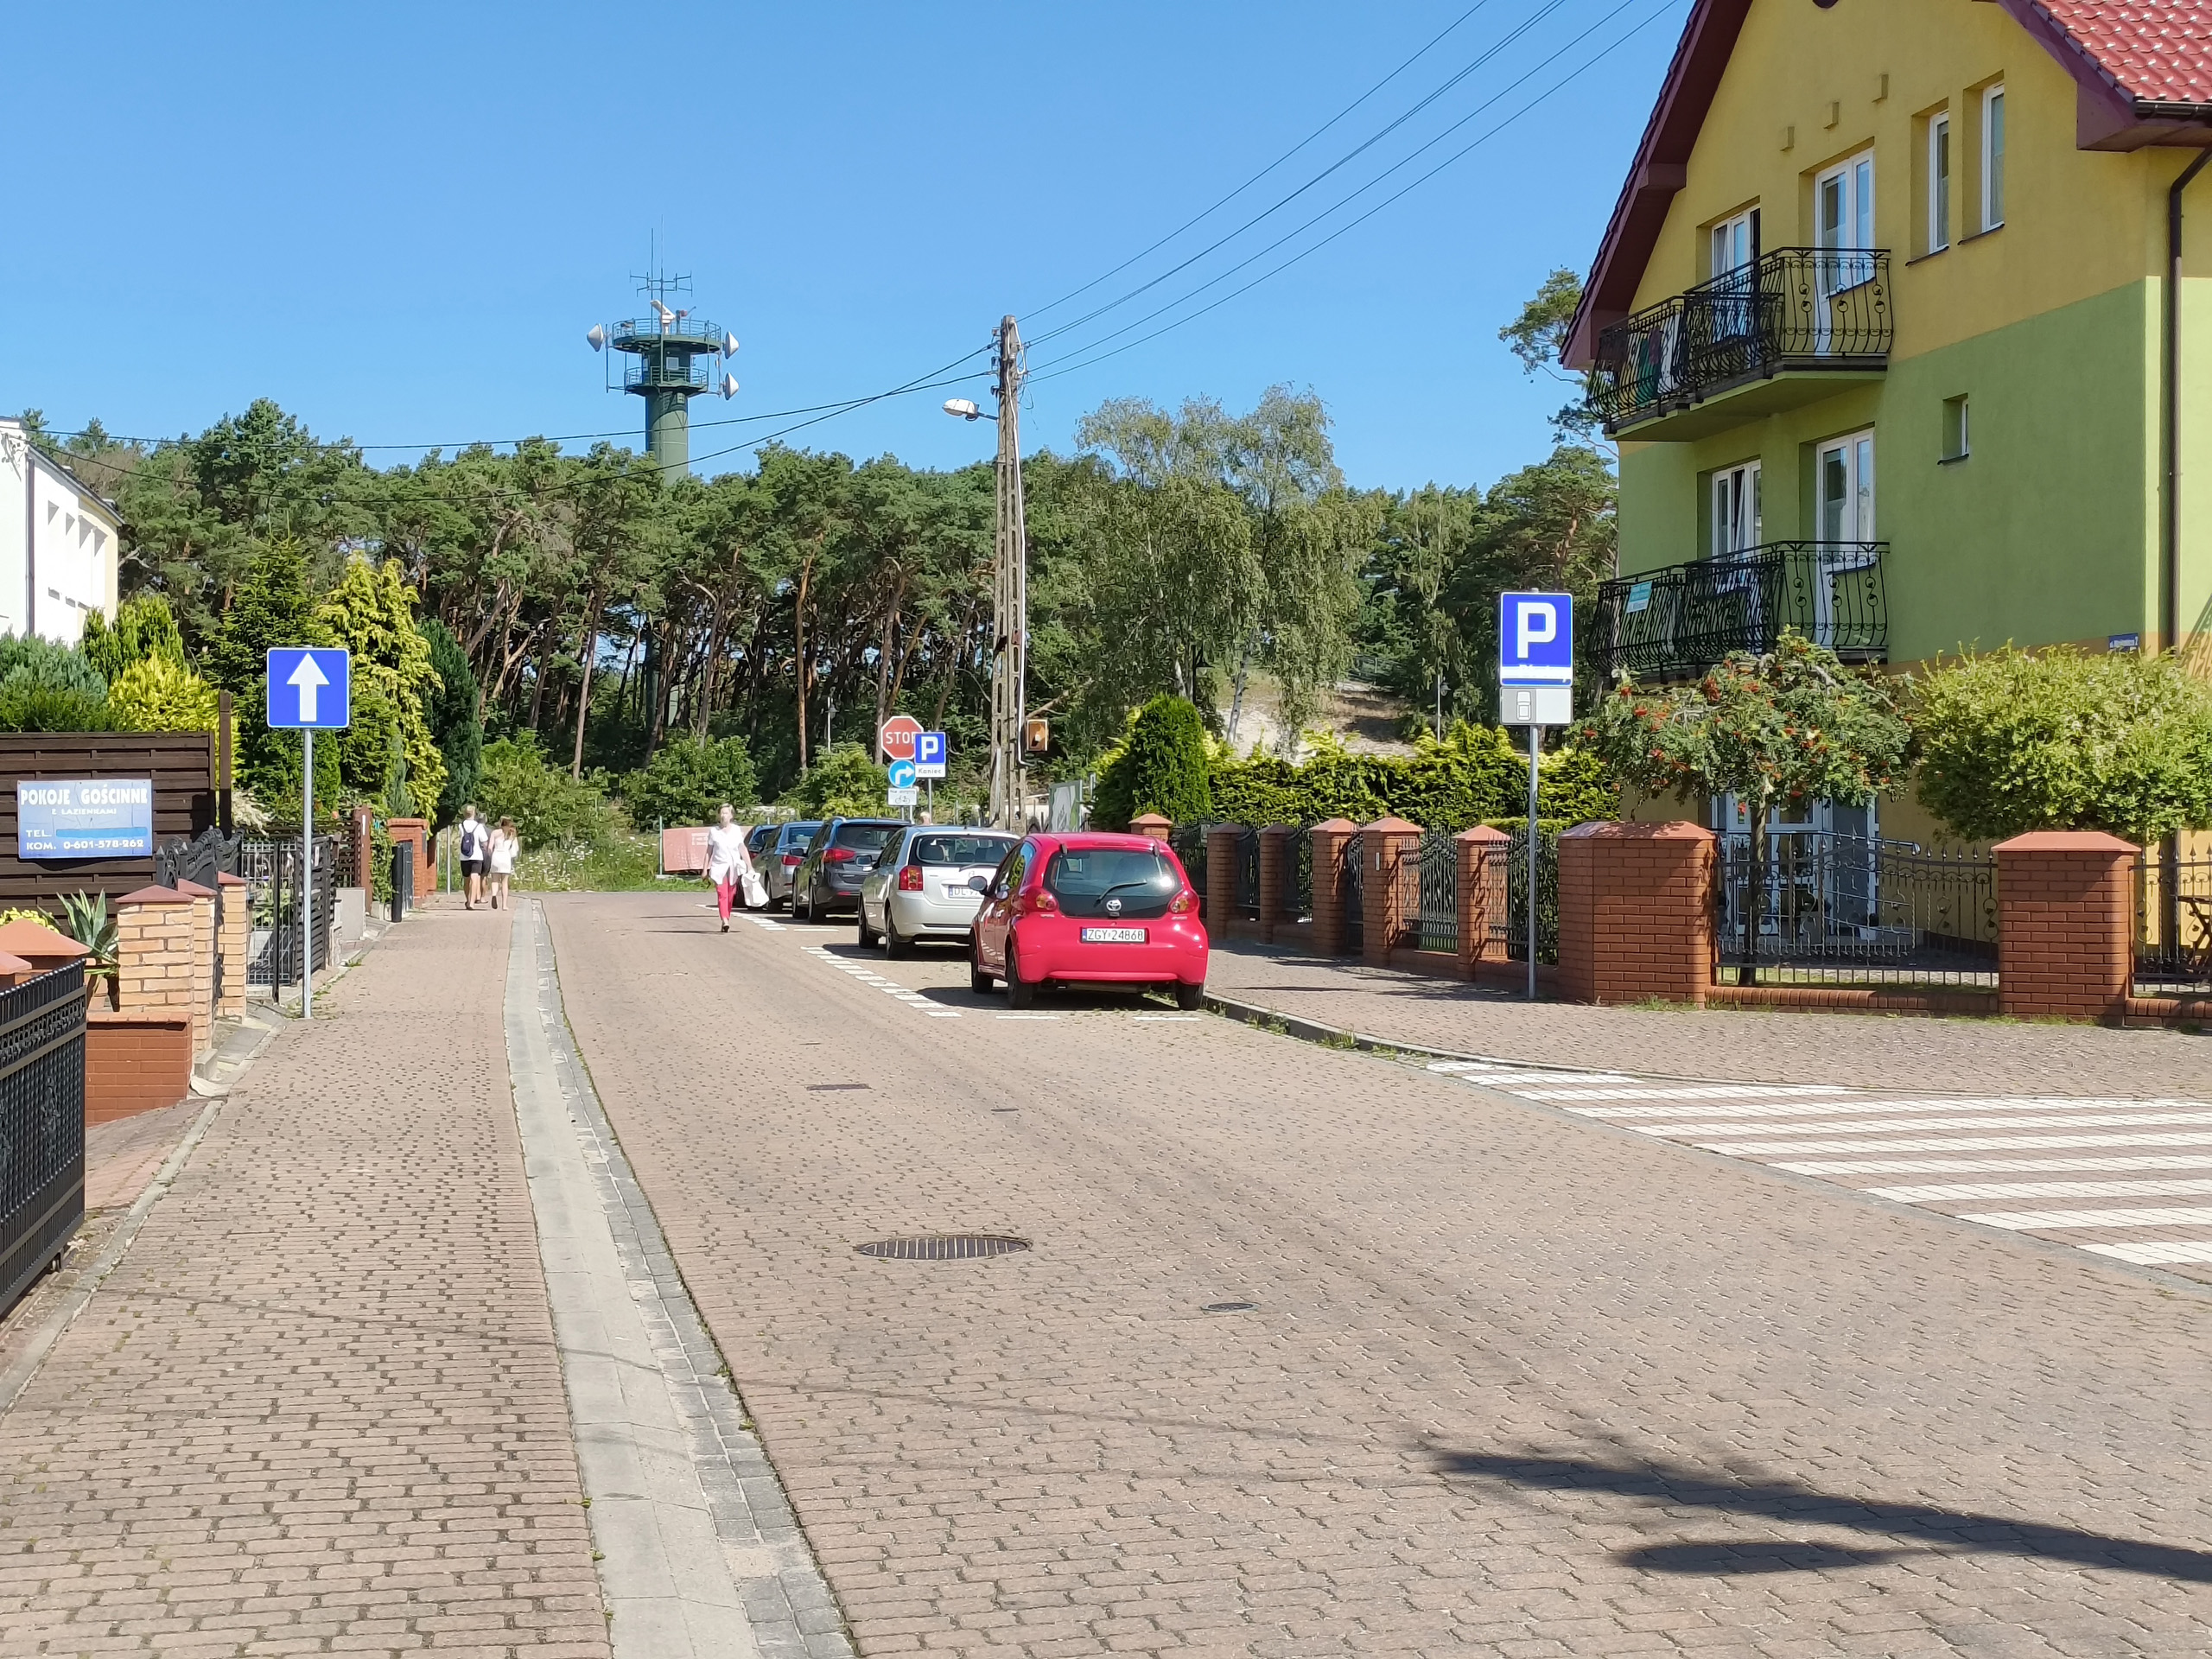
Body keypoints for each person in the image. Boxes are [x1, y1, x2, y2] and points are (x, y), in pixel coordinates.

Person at [704, 803, 753, 932]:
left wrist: (749, 866)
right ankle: (725, 920)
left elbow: (742, 849)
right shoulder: (714, 831)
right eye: (721, 813)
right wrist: (705, 869)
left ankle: (726, 917)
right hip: (718, 867)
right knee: (722, 894)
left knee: (731, 895)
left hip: (733, 867)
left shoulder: (736, 830)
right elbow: (709, 851)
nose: (723, 816)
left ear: (731, 816)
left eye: (726, 813)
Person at [456, 805, 488, 909]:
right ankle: (472, 903)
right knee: (475, 879)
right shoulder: (479, 826)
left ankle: (468, 899)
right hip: (477, 856)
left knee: (466, 880)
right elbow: (484, 842)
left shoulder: (461, 826)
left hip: (464, 856)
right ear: (474, 813)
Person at [486, 817, 518, 910]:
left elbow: (490, 848)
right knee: (504, 882)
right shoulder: (511, 833)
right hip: (506, 857)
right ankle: (504, 905)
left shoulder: (495, 833)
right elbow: (516, 849)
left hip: (496, 856)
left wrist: (490, 855)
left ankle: (494, 895)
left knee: (495, 880)